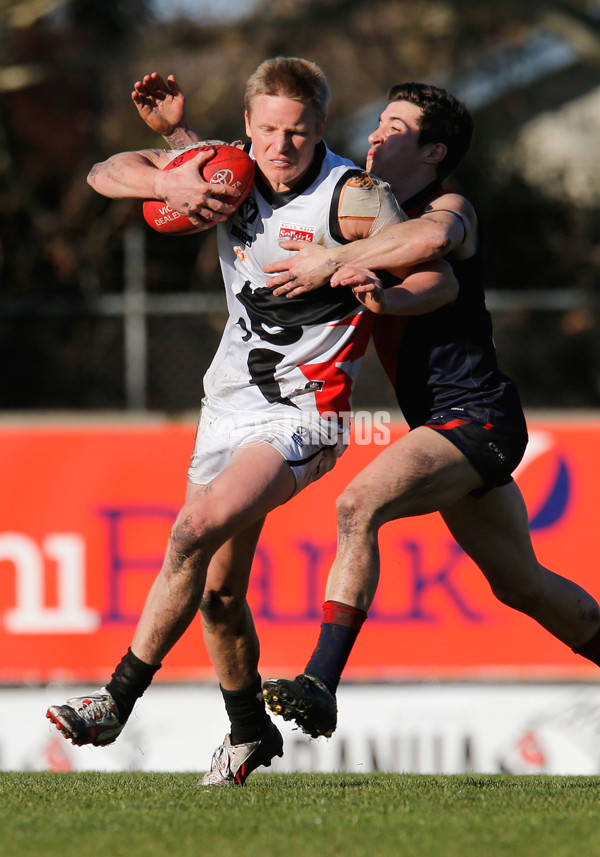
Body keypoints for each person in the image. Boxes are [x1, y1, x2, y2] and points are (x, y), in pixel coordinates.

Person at [45, 61, 456, 785]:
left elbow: (437, 273)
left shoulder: (353, 199)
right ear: (247, 127)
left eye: (297, 132)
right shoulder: (225, 175)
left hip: (307, 413)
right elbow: (105, 174)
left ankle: (115, 698)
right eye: (267, 129)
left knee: (192, 528)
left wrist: (377, 288)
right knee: (218, 594)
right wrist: (169, 173)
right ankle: (249, 732)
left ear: (321, 129)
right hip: (226, 404)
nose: (281, 145)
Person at [260, 82, 600, 740]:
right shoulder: (364, 211)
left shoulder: (447, 205)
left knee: (359, 506)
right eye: (379, 121)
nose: (376, 133)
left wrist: (337, 262)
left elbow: (435, 244)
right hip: (447, 421)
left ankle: (320, 683)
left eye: (395, 124)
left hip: (476, 416)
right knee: (522, 585)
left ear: (433, 150)